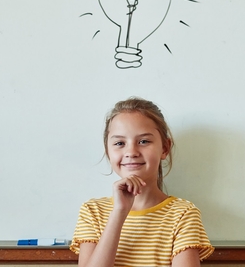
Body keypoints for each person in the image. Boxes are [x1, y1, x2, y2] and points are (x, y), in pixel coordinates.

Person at [70, 97, 214, 266]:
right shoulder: (92, 212)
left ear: (165, 148)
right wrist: (119, 211)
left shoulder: (183, 214)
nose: (131, 151)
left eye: (144, 141)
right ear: (108, 151)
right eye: (119, 143)